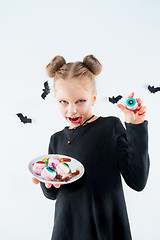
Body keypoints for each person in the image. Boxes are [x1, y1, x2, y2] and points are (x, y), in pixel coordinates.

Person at [32, 55, 150, 240]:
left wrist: (136, 127)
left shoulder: (109, 127)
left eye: (80, 101)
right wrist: (46, 183)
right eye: (63, 102)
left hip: (105, 230)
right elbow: (53, 194)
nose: (72, 110)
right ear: (56, 99)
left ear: (93, 98)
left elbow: (137, 181)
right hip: (66, 230)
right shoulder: (56, 139)